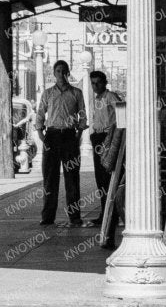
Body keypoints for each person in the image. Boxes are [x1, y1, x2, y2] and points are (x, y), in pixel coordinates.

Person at [36, 61, 86, 228]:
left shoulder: (76, 93)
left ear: (68, 73)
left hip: (69, 136)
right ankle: (48, 216)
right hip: (52, 135)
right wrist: (41, 135)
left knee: (72, 178)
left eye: (64, 71)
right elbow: (40, 114)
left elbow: (82, 115)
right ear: (54, 73)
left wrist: (79, 133)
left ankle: (75, 216)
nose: (61, 74)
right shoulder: (48, 93)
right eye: (58, 71)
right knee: (50, 178)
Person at [86, 70, 124, 229]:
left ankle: (113, 214)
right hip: (98, 137)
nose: (95, 86)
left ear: (104, 82)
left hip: (108, 137)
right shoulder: (97, 99)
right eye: (93, 83)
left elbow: (122, 114)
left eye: (98, 83)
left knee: (109, 176)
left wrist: (117, 134)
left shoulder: (110, 97)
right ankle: (105, 212)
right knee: (100, 178)